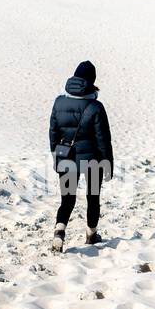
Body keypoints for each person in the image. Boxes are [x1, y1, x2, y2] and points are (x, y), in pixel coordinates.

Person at [48, 60, 113, 252]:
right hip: (92, 160)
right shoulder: (96, 107)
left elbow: (53, 132)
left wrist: (56, 154)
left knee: (67, 199)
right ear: (92, 82)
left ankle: (59, 232)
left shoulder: (59, 102)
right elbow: (103, 140)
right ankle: (91, 234)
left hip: (66, 157)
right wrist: (108, 162)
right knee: (93, 197)